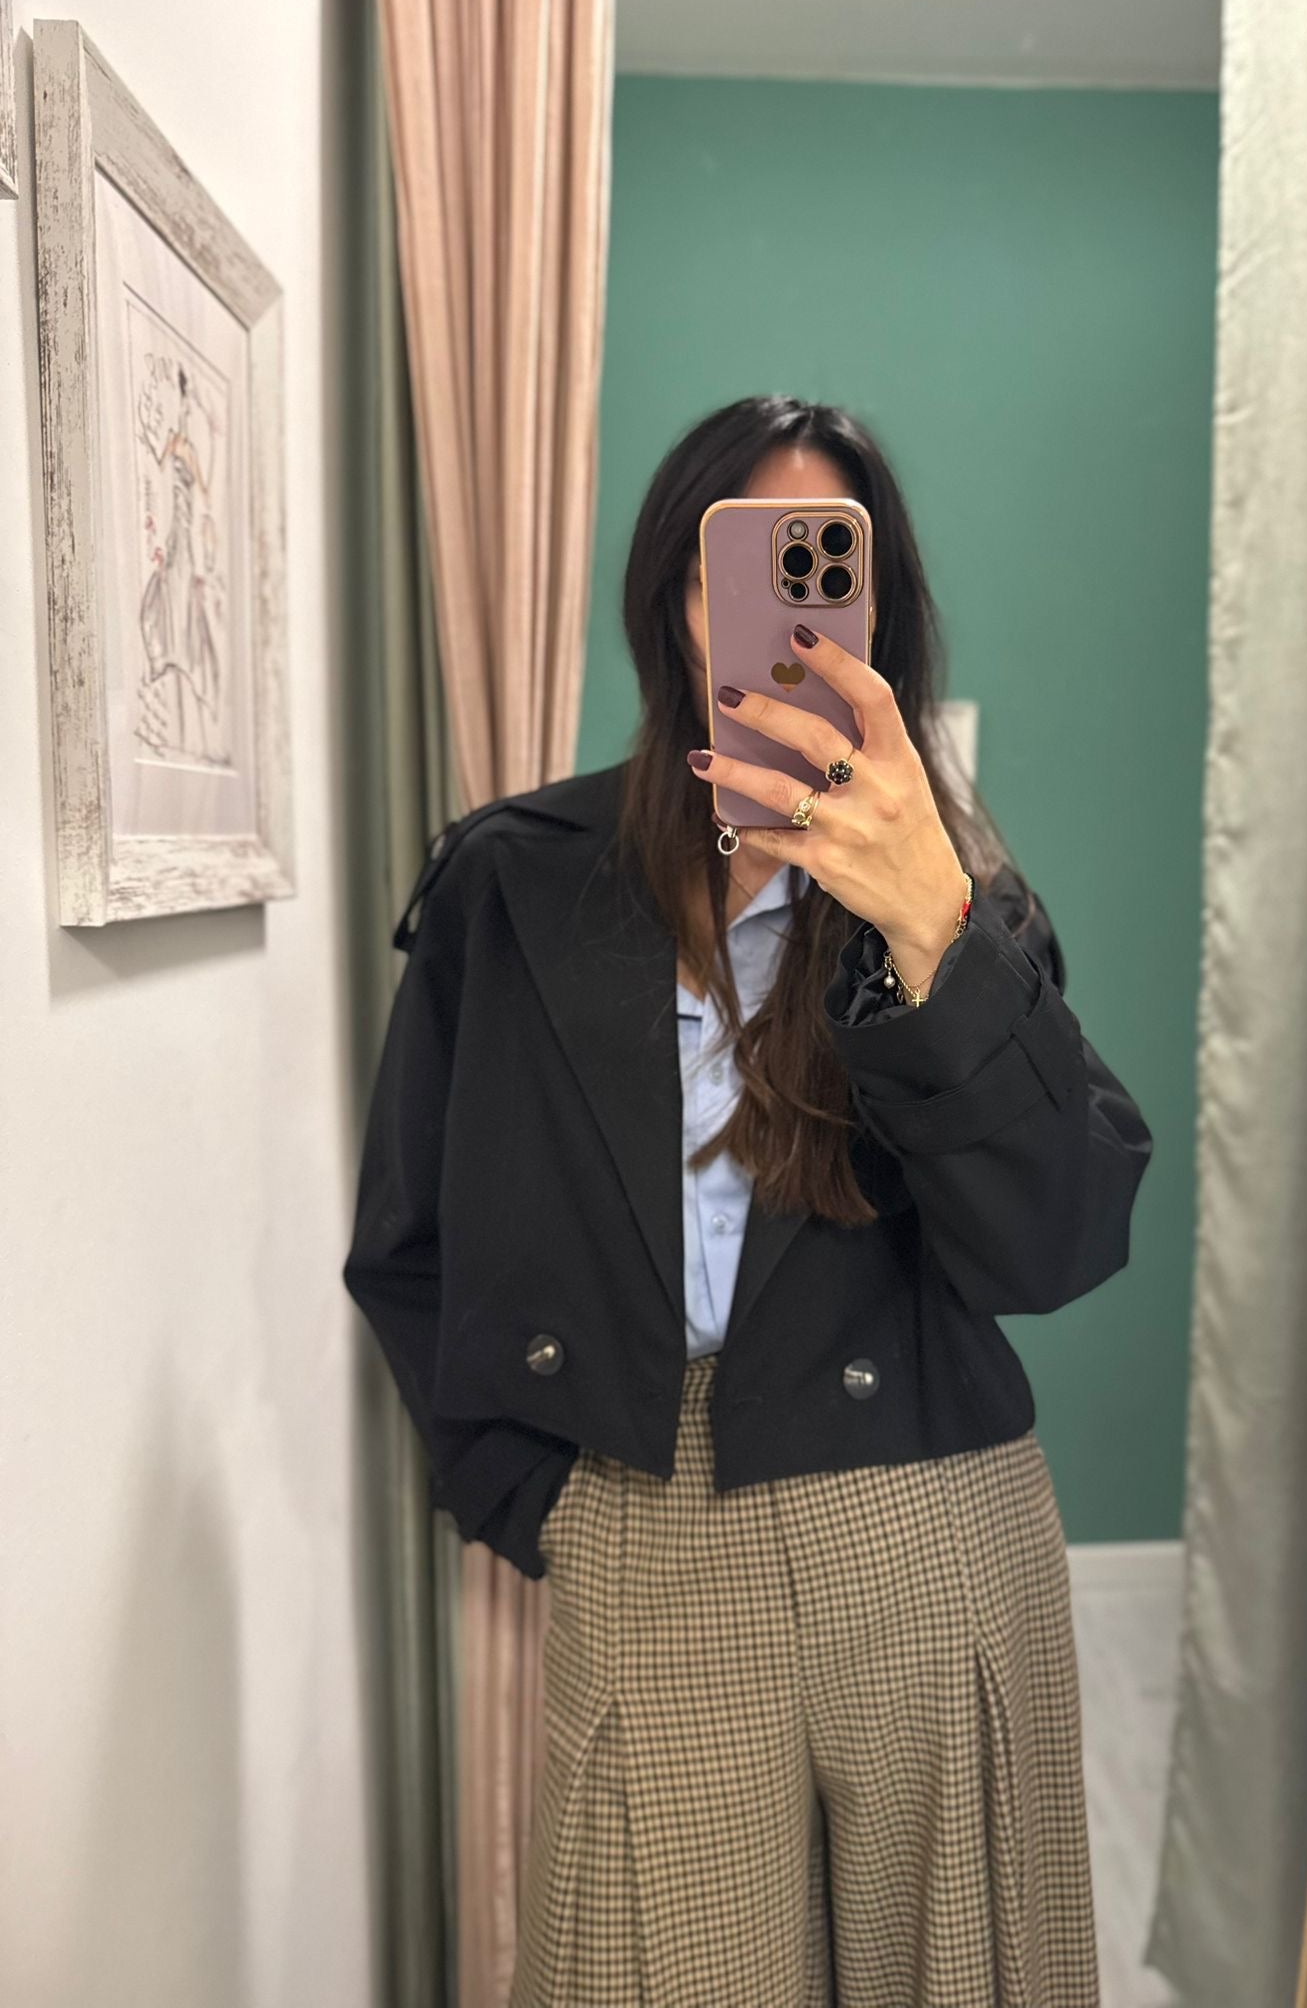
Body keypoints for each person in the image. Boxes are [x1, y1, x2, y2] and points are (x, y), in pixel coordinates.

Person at [342, 394, 1153, 2007]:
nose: (783, 627)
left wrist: (931, 932)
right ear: (676, 601)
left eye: (823, 576)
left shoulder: (955, 904)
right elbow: (409, 1242)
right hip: (644, 1522)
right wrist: (535, 1501)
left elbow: (1062, 1239)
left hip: (927, 1513)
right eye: (746, 572)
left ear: (877, 624)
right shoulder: (515, 882)